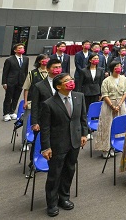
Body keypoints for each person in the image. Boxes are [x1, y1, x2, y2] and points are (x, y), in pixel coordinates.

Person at [39, 73, 87, 217]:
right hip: (57, 144)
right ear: (59, 86)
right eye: (67, 81)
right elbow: (45, 128)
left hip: (75, 141)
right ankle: (52, 203)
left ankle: (64, 198)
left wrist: (84, 134)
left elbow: (83, 118)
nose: (71, 82)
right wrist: (45, 147)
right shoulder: (49, 104)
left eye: (71, 79)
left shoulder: (79, 96)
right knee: (55, 174)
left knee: (69, 170)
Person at [94, 60, 126, 158]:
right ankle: (105, 148)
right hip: (109, 105)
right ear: (112, 68)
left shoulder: (124, 79)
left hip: (121, 105)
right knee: (107, 125)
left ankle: (114, 147)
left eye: (120, 66)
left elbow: (125, 93)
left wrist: (120, 104)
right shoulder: (106, 80)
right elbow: (105, 95)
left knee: (118, 125)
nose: (119, 68)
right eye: (117, 66)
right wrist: (113, 106)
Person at [21, 54, 50, 148]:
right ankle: (25, 142)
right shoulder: (33, 73)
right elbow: (26, 88)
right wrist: (25, 101)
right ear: (39, 61)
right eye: (44, 59)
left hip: (46, 103)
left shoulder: (50, 73)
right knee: (28, 123)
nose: (46, 60)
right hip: (32, 102)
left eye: (47, 59)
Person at [29, 59, 61, 134]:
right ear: (47, 69)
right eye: (55, 67)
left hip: (60, 120)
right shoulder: (39, 86)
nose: (58, 69)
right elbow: (35, 105)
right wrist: (34, 122)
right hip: (44, 120)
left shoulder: (65, 84)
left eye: (59, 67)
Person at [2, 43, 29, 121]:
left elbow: (25, 71)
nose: (22, 49)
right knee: (8, 98)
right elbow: (5, 72)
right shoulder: (9, 60)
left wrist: (26, 81)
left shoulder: (26, 59)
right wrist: (4, 82)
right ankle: (6, 113)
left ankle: (12, 111)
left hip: (21, 81)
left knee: (16, 97)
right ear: (15, 50)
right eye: (19, 48)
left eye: (22, 48)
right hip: (10, 81)